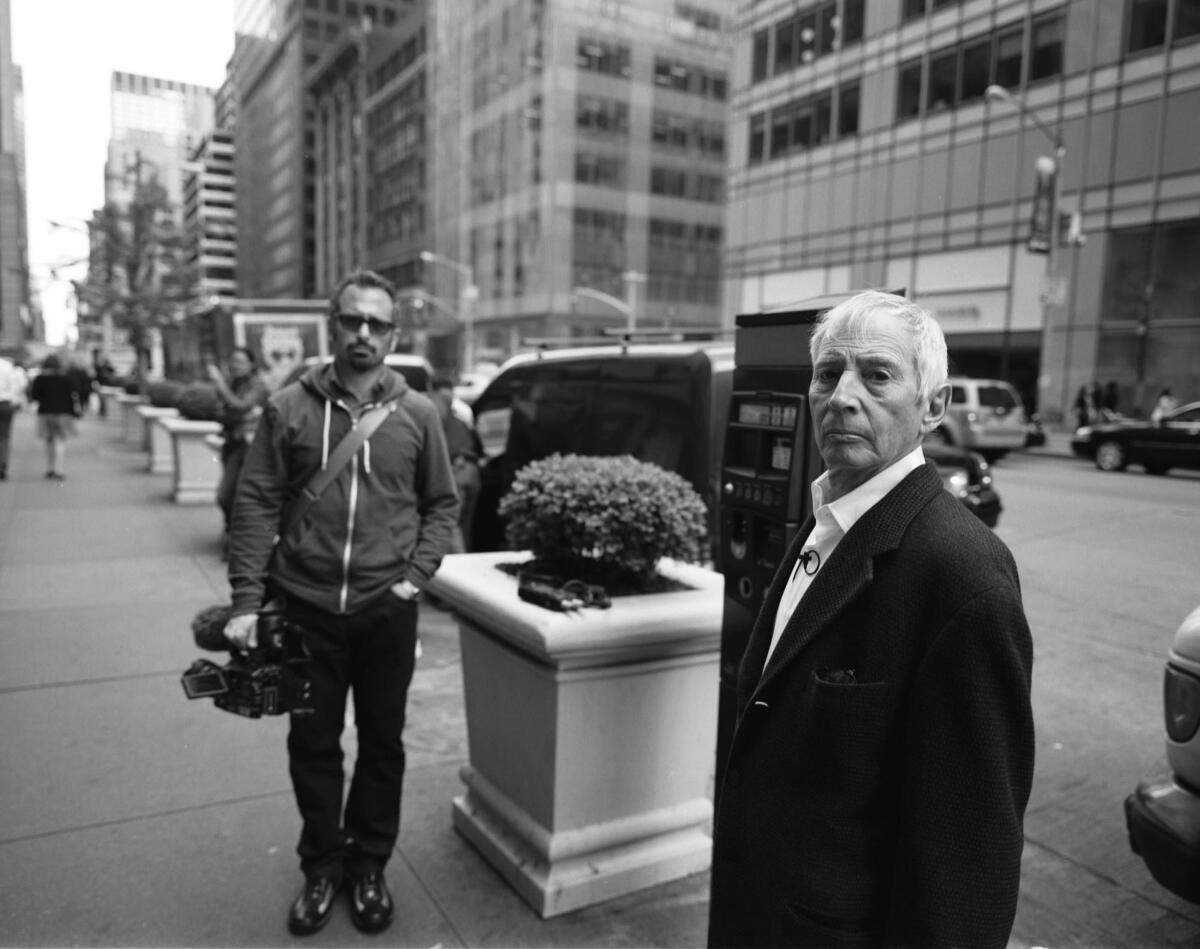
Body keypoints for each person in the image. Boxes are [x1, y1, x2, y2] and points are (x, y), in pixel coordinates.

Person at [708, 290, 1034, 949]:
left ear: (932, 407)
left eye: (877, 374)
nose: (842, 396)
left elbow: (967, 861)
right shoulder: (826, 519)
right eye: (828, 373)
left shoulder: (964, 575)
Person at [222, 269, 458, 937]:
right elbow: (257, 500)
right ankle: (322, 865)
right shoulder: (288, 408)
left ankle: (369, 864)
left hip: (388, 608)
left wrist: (415, 576)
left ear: (393, 333)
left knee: (383, 743)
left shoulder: (417, 413)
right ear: (334, 325)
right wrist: (245, 598)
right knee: (313, 743)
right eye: (352, 320)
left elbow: (442, 503)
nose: (363, 333)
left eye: (376, 324)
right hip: (307, 609)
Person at [207, 347, 270, 535]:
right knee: (230, 496)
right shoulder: (233, 384)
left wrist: (221, 386)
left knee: (230, 495)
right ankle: (231, 535)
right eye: (233, 361)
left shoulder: (258, 385)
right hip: (231, 444)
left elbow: (241, 406)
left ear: (251, 365)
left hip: (249, 447)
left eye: (241, 361)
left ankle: (236, 538)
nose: (236, 365)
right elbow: (220, 411)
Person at [431, 373, 483, 552]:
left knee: (451, 525)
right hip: (472, 471)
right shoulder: (461, 414)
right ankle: (463, 562)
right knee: (464, 527)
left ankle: (458, 566)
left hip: (456, 470)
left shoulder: (434, 409)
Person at [27, 354, 81, 481]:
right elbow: (74, 395)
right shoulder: (66, 378)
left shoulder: (39, 379)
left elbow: (34, 396)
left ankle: (50, 468)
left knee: (49, 441)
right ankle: (59, 469)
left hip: (45, 412)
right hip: (64, 412)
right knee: (61, 441)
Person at [0, 354, 28, 480]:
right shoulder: (7, 366)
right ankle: (2, 465)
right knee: (4, 437)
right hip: (5, 403)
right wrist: (13, 398)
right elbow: (17, 385)